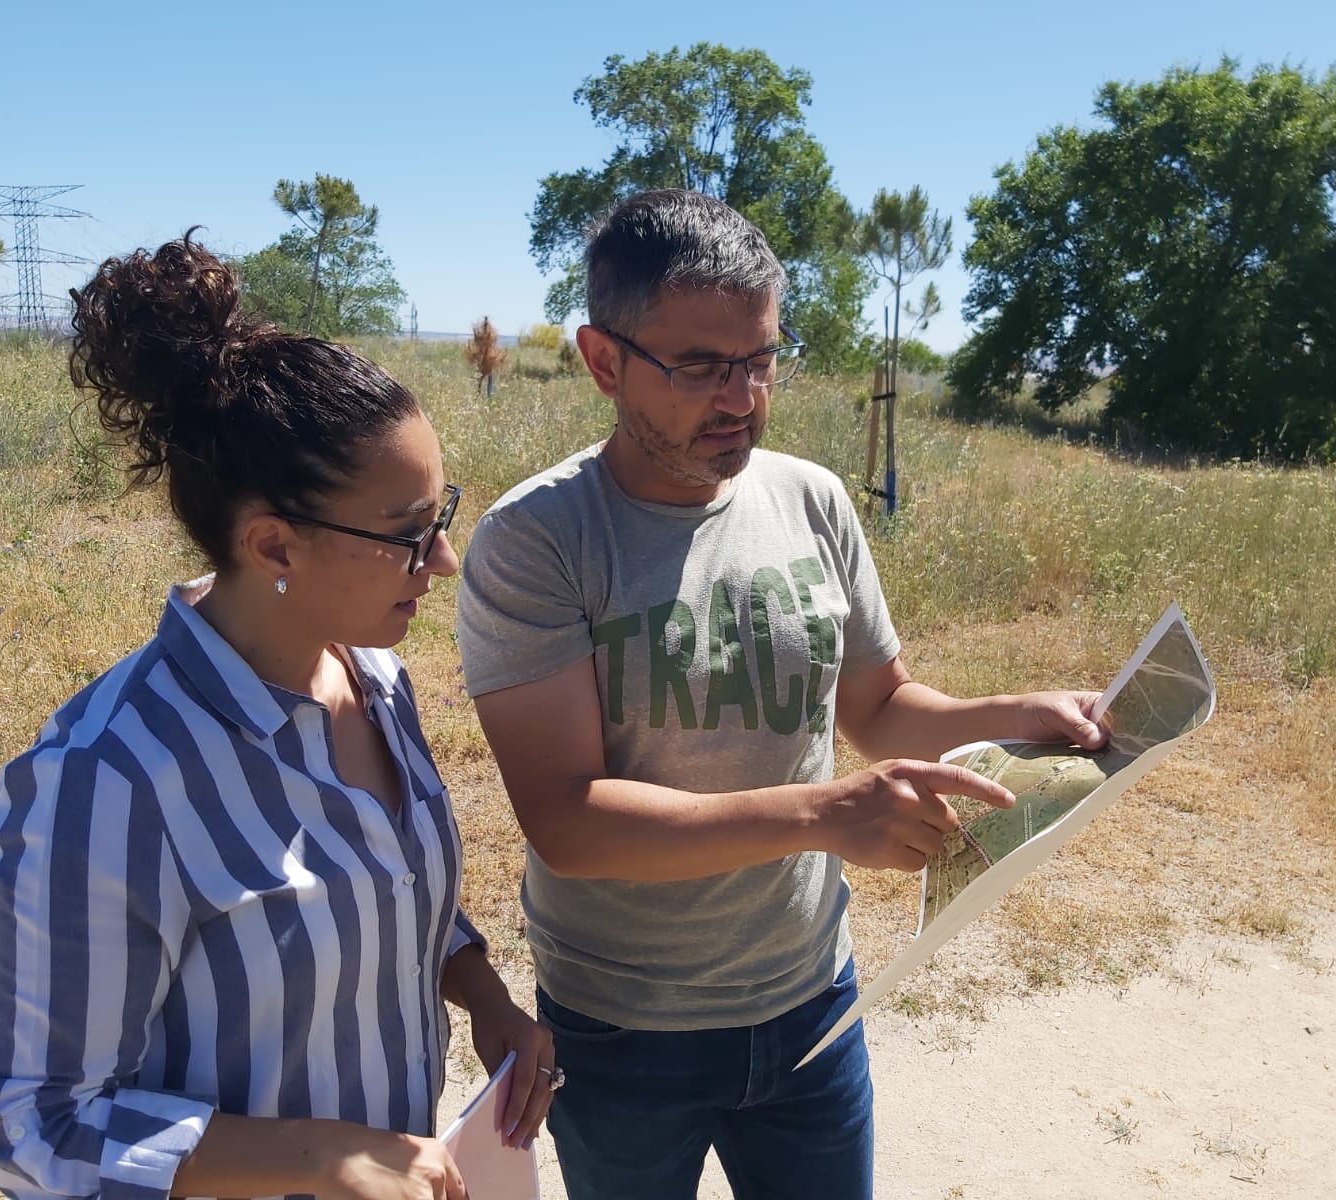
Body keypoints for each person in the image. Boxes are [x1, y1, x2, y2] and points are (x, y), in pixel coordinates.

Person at [455, 189, 1105, 1200]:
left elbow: (880, 708)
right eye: (702, 367)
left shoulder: (812, 499)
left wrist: (1013, 716)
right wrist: (825, 812)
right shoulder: (537, 540)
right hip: (624, 1029)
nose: (742, 398)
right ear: (602, 360)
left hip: (808, 1003)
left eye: (760, 359)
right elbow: (568, 822)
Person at [0, 234, 556, 1200]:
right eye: (410, 536)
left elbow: (398, 898)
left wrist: (485, 996)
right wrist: (323, 1158)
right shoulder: (106, 781)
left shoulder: (376, 679)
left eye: (441, 515)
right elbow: (31, 1126)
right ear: (272, 543)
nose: (444, 563)